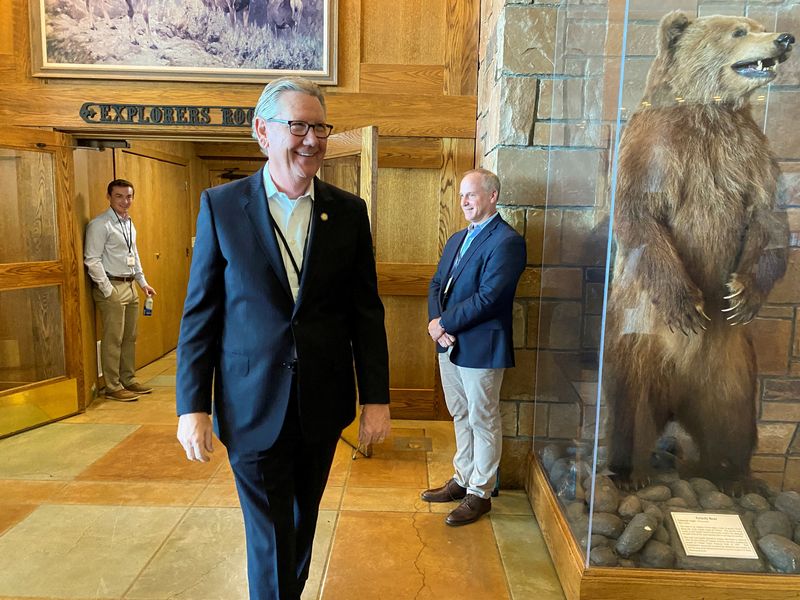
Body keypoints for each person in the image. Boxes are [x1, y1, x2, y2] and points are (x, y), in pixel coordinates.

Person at [175, 76, 391, 600]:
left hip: (321, 401)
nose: (312, 139)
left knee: (300, 519)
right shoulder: (222, 206)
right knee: (269, 529)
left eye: (320, 127)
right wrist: (192, 406)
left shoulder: (347, 211)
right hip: (249, 402)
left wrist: (377, 398)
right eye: (298, 125)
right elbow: (200, 315)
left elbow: (366, 311)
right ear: (262, 132)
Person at [421, 168, 526, 526]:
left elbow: (489, 298)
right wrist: (438, 326)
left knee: (482, 418)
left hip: (481, 345)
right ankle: (462, 478)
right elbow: (437, 284)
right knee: (460, 413)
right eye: (462, 195)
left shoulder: (507, 241)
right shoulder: (456, 238)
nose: (464, 201)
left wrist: (444, 324)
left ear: (492, 196)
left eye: (472, 194)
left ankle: (480, 493)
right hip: (448, 343)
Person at [84, 179, 156, 402]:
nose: (125, 201)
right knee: (113, 338)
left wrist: (142, 282)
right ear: (109, 197)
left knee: (129, 337)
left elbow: (134, 255)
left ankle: (128, 379)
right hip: (112, 286)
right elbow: (92, 260)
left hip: (130, 285)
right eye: (119, 196)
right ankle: (113, 386)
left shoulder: (128, 223)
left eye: (129, 196)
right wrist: (107, 290)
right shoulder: (100, 224)